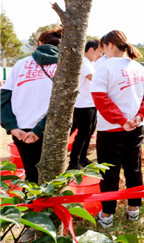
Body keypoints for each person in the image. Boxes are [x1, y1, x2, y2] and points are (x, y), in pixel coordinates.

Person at [90, 30, 144, 228]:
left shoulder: (104, 67)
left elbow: (99, 98)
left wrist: (120, 120)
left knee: (109, 172)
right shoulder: (138, 68)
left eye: (103, 48)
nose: (103, 53)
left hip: (111, 129)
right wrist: (139, 115)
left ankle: (107, 213)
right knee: (133, 167)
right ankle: (133, 208)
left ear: (110, 45)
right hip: (135, 127)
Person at [1, 27, 62, 183]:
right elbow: (64, 104)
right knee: (52, 177)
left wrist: (13, 127)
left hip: (21, 130)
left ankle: (31, 206)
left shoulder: (21, 64)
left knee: (31, 174)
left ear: (39, 43)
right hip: (50, 128)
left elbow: (4, 97)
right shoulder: (64, 67)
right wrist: (39, 129)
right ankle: (48, 206)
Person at [67, 39, 103, 170]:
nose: (100, 56)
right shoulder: (83, 62)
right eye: (99, 52)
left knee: (89, 132)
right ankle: (74, 162)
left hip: (90, 103)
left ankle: (82, 158)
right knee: (82, 134)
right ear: (91, 49)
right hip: (82, 105)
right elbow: (93, 78)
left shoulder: (90, 63)